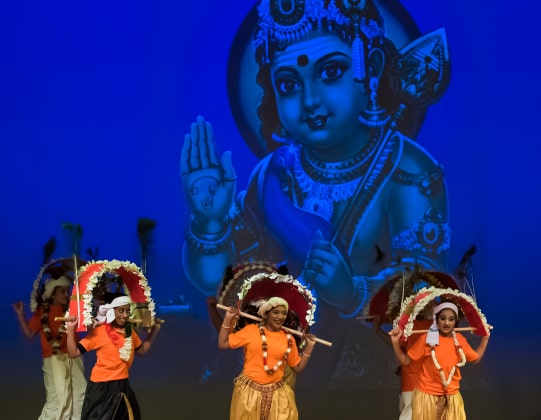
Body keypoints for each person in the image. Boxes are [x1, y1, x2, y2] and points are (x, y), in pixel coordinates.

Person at [180, 0, 451, 319]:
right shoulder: (273, 175)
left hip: (374, 363)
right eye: (289, 84)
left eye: (331, 72)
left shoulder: (409, 173)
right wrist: (209, 223)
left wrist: (352, 293)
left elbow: (429, 296)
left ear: (372, 68)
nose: (309, 101)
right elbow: (221, 281)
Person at [66, 292, 161, 420]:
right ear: (111, 310)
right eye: (120, 311)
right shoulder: (99, 332)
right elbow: (73, 353)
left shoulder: (129, 331)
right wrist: (70, 330)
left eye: (127, 311)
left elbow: (142, 350)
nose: (125, 315)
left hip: (122, 386)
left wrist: (155, 329)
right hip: (101, 389)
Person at [218, 297, 316, 419]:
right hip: (248, 396)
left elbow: (297, 367)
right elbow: (223, 343)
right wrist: (228, 318)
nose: (280, 317)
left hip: (278, 398)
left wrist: (310, 346)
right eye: (275, 312)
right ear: (266, 314)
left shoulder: (288, 339)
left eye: (283, 313)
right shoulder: (251, 331)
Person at [389, 302, 489, 420]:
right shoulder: (426, 339)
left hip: (452, 398)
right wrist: (395, 343)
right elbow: (405, 361)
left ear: (455, 321)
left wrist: (485, 338)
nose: (447, 323)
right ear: (436, 319)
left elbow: (475, 358)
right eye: (443, 318)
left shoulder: (460, 340)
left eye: (451, 319)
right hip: (426, 397)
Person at [13, 275, 87, 420]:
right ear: (53, 294)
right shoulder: (42, 312)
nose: (67, 294)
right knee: (57, 398)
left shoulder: (73, 310)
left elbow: (87, 324)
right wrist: (21, 314)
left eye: (68, 291)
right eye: (62, 292)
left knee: (79, 395)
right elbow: (29, 334)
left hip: (74, 357)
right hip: (52, 359)